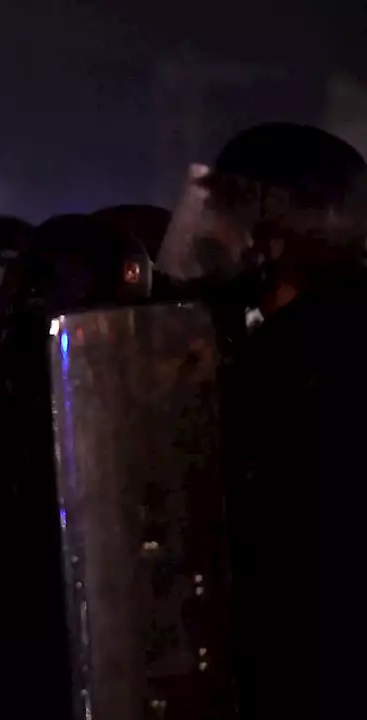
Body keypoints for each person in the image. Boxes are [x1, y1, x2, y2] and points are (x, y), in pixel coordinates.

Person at [191, 123, 367, 718]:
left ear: (277, 213)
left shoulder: (323, 342)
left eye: (223, 208)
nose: (206, 232)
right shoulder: (263, 332)